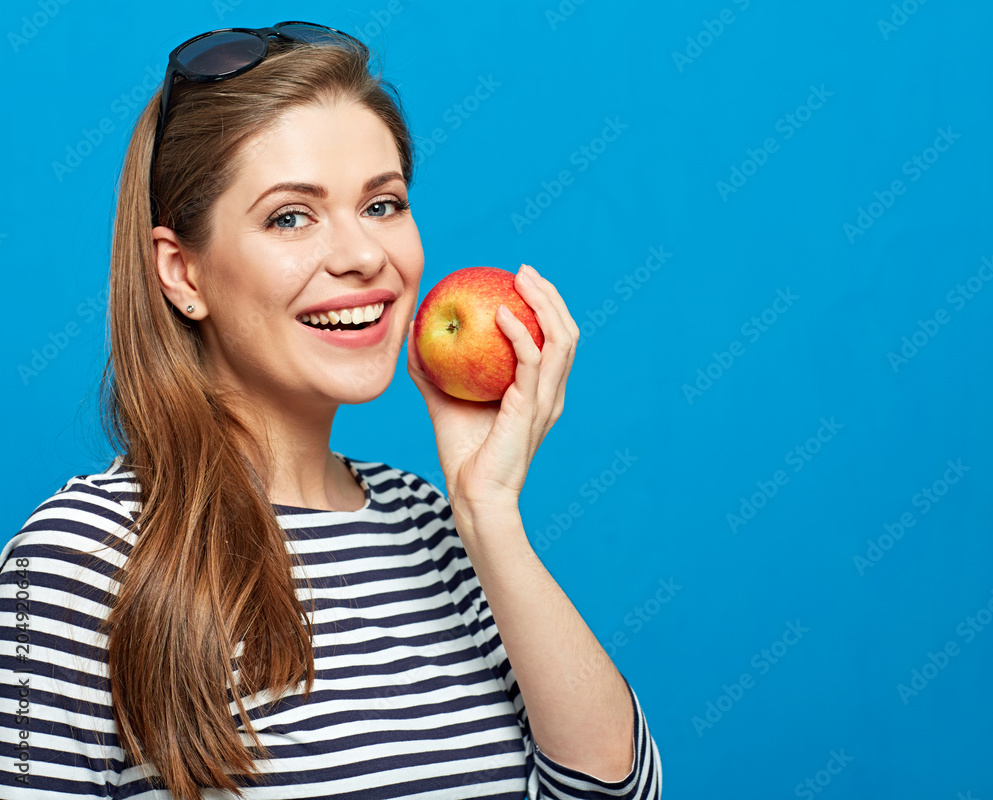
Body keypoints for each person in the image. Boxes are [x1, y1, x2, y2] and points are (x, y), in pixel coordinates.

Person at [0, 20, 662, 800]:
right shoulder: (85, 557)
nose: (362, 255)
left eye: (382, 205)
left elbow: (611, 793)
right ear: (183, 274)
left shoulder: (433, 528)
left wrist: (488, 515)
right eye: (291, 216)